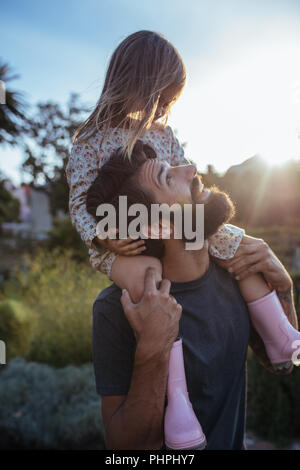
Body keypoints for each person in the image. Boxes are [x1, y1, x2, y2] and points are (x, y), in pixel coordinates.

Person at [88, 142, 298, 450]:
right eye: (167, 178)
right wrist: (152, 347)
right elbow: (123, 449)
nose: (190, 170)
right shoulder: (117, 308)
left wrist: (285, 290)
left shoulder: (235, 274)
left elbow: (282, 362)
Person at [66, 30, 282, 307]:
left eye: (169, 103)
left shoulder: (163, 134)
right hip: (126, 245)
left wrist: (203, 221)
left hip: (180, 230)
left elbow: (188, 181)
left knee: (242, 255)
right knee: (146, 278)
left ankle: (279, 334)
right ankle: (169, 346)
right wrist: (100, 237)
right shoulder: (90, 141)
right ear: (134, 84)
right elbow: (79, 202)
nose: (162, 110)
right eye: (161, 100)